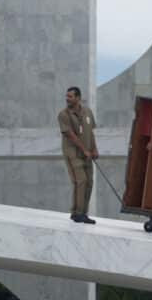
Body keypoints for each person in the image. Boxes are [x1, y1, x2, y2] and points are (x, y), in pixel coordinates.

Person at [58, 86, 99, 224]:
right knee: (80, 181)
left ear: (78, 98)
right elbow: (71, 136)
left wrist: (94, 149)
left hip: (87, 153)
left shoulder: (87, 112)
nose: (67, 99)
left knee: (89, 182)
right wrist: (84, 150)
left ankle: (83, 213)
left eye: (70, 96)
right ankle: (77, 212)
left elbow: (90, 132)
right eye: (67, 96)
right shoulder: (64, 115)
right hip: (73, 153)